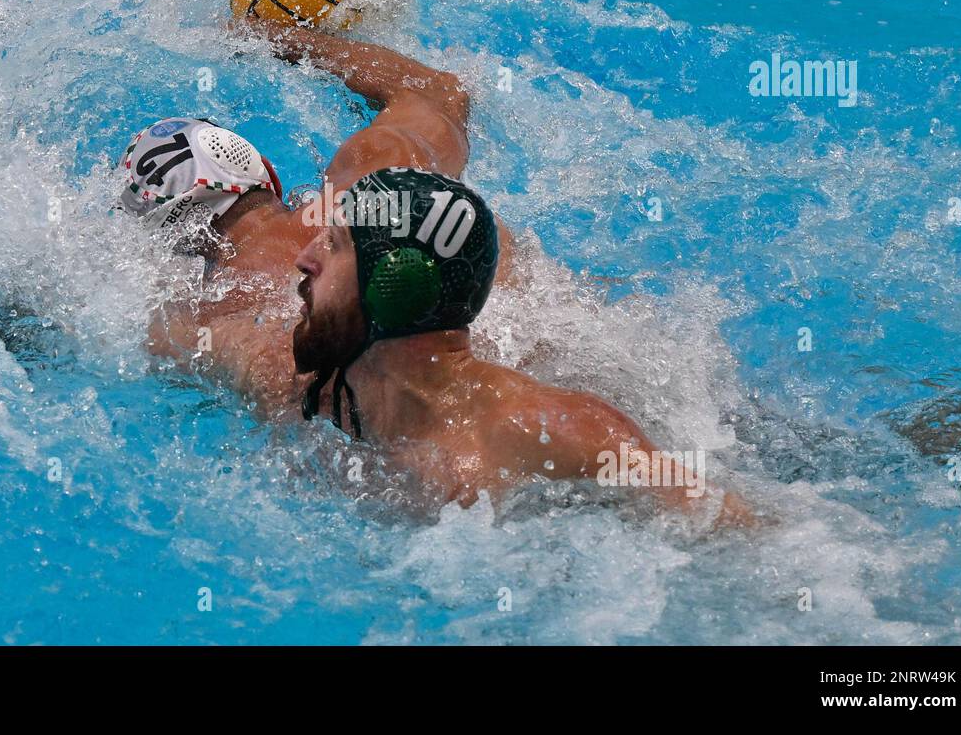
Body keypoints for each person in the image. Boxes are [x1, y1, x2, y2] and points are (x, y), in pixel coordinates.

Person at [134, 26, 753, 524]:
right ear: (264, 170)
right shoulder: (373, 176)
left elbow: (740, 531)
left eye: (336, 245)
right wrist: (282, 34)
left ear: (392, 282)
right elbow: (437, 92)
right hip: (577, 338)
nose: (304, 257)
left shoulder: (554, 429)